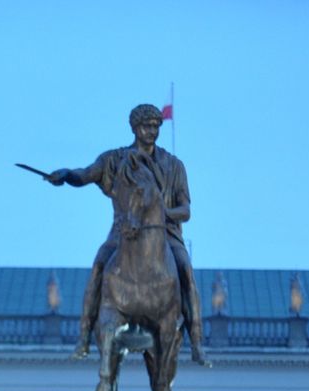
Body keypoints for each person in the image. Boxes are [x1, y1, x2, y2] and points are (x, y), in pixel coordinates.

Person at [45, 103, 207, 365]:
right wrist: (65, 174)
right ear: (134, 128)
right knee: (99, 266)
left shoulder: (174, 165)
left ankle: (197, 342)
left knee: (186, 270)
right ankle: (84, 337)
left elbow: (186, 209)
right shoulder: (115, 160)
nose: (151, 131)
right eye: (146, 126)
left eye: (156, 127)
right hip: (123, 233)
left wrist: (158, 215)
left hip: (165, 235)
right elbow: (85, 175)